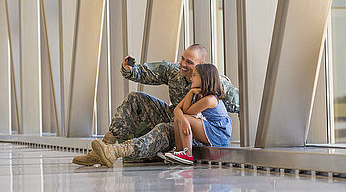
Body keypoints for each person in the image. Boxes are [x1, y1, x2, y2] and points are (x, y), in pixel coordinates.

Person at [71, 44, 239, 166]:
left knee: (164, 129)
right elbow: (147, 73)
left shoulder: (216, 82)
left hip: (195, 133)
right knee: (135, 98)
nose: (183, 64)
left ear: (201, 65)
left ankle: (116, 152)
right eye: (182, 58)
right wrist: (129, 70)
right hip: (177, 116)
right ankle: (103, 149)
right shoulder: (175, 72)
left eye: (189, 62)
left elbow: (240, 103)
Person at [163, 63, 232, 165]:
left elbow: (186, 111)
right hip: (212, 128)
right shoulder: (198, 94)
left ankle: (187, 154)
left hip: (219, 133)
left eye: (194, 75)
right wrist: (183, 119)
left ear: (204, 78)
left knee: (184, 118)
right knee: (179, 118)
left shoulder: (210, 99)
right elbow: (177, 110)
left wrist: (184, 120)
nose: (191, 78)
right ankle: (179, 151)